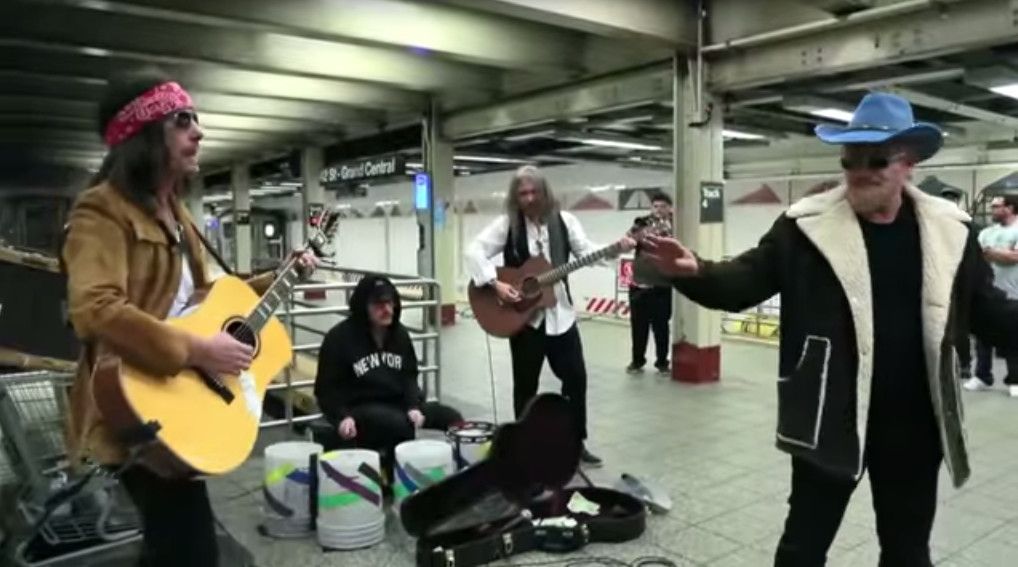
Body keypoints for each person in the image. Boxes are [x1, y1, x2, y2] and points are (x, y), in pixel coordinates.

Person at [641, 92, 1018, 566]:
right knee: (802, 548)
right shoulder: (806, 227)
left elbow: (988, 311)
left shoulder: (950, 231)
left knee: (907, 550)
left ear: (909, 163)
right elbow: (745, 280)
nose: (860, 171)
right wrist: (695, 271)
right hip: (827, 413)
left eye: (876, 160)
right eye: (850, 160)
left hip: (916, 422)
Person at [61, 68, 316, 567]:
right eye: (182, 121)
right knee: (190, 549)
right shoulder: (101, 211)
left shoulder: (176, 213)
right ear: (143, 136)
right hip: (135, 405)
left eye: (195, 119)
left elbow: (210, 298)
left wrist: (283, 275)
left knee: (176, 547)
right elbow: (95, 308)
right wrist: (199, 350)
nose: (198, 132)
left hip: (177, 397)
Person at [464, 165, 636, 468]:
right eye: (523, 194)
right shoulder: (507, 225)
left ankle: (576, 442)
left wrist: (616, 248)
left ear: (545, 193)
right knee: (525, 387)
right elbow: (473, 250)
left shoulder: (565, 221)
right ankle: (522, 447)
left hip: (562, 316)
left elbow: (586, 250)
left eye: (534, 192)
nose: (529, 198)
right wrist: (495, 283)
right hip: (525, 320)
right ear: (515, 197)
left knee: (576, 380)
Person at [313, 275, 463, 469]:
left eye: (390, 303)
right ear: (363, 306)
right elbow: (326, 389)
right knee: (398, 425)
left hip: (398, 404)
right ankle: (395, 474)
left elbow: (409, 376)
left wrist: (413, 406)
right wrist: (341, 417)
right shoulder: (339, 338)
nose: (387, 310)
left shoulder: (399, 334)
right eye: (379, 304)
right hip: (359, 407)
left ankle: (461, 469)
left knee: (452, 417)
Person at [963, 195, 1018, 396]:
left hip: (1013, 293)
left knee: (1013, 338)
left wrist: (990, 253)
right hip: (987, 294)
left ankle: (1015, 379)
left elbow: (1015, 257)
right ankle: (982, 376)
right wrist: (1002, 253)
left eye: (996, 206)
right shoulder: (986, 232)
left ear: (1010, 208)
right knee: (983, 336)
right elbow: (974, 256)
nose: (992, 210)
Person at [627, 192, 674, 375]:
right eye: (655, 206)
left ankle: (662, 362)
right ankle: (637, 361)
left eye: (663, 206)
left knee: (661, 327)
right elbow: (629, 240)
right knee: (638, 327)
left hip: (661, 286)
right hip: (639, 286)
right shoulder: (641, 223)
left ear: (670, 209)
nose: (658, 210)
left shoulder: (678, 226)